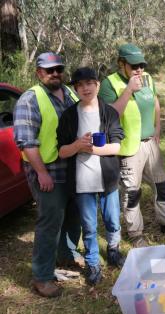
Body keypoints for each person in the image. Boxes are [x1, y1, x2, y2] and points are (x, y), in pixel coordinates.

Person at [99, 43, 165, 248]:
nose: (139, 69)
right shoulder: (109, 84)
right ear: (121, 64)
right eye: (133, 65)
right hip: (129, 148)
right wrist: (129, 90)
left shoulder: (147, 78)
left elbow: (155, 101)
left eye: (141, 64)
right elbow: (109, 116)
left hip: (151, 144)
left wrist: (158, 126)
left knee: (162, 184)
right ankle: (136, 233)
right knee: (132, 192)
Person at [13, 52, 83, 297]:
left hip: (73, 170)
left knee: (74, 217)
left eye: (58, 69)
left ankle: (66, 255)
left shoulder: (71, 93)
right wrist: (41, 173)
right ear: (39, 73)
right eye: (49, 70)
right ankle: (42, 277)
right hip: (49, 172)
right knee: (49, 224)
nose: (55, 74)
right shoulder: (29, 100)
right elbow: (26, 143)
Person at [57, 67, 125, 285]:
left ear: (97, 85)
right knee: (89, 226)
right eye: (80, 85)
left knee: (112, 220)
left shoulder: (109, 112)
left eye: (90, 83)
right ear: (75, 89)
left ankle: (113, 250)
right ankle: (93, 263)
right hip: (82, 182)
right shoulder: (69, 116)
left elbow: (116, 146)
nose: (86, 88)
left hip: (108, 178)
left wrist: (92, 150)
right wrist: (77, 145)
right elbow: (61, 151)